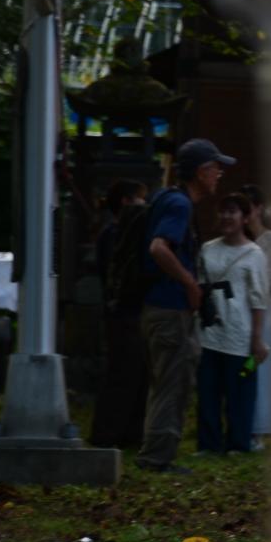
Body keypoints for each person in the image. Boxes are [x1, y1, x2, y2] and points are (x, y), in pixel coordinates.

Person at [137, 137, 234, 473]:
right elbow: (159, 248)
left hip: (157, 307)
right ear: (199, 172)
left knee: (165, 381)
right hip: (170, 308)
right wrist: (190, 283)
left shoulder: (164, 198)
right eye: (214, 167)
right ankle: (157, 458)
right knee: (172, 383)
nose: (219, 173)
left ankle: (156, 451)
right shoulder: (180, 205)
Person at [196, 193, 270, 455]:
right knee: (208, 390)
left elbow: (259, 297)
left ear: (245, 217)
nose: (227, 217)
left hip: (240, 332)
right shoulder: (207, 249)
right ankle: (209, 443)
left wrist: (258, 338)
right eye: (223, 211)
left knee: (239, 391)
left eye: (233, 212)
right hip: (209, 330)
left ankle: (238, 442)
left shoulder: (254, 254)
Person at [88, 179, 149, 450]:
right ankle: (109, 434)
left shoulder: (114, 233)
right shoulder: (116, 234)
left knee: (135, 373)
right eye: (139, 199)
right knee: (122, 373)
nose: (143, 205)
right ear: (126, 201)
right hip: (123, 311)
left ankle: (128, 433)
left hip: (124, 310)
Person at [241, 186, 271, 447]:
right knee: (243, 370)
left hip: (266, 315)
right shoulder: (238, 242)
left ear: (258, 209)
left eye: (248, 208)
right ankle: (244, 422)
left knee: (260, 368)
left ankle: (260, 426)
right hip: (239, 316)